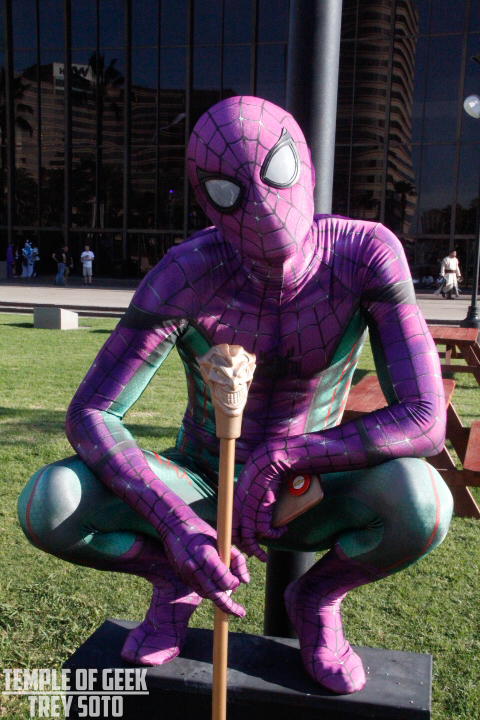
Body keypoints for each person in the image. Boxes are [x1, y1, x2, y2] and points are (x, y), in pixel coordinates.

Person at [18, 97, 453, 695]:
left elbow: (426, 419)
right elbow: (91, 412)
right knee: (49, 503)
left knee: (424, 503)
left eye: (277, 172)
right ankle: (174, 580)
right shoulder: (186, 272)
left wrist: (287, 455)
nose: (264, 209)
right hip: (203, 485)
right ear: (207, 202)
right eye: (229, 192)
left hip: (313, 491)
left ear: (306, 165)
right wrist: (174, 525)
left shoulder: (365, 254)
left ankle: (317, 597)